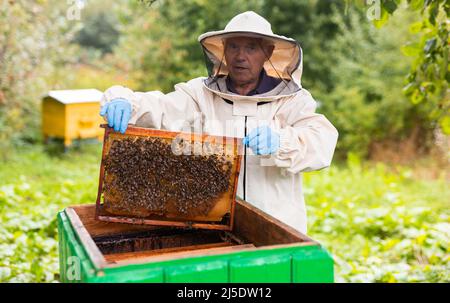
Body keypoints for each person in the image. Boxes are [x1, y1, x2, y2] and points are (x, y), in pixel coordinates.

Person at [100, 11, 338, 234]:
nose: (240, 56)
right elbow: (162, 109)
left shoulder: (292, 100)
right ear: (223, 50)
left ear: (268, 51)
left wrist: (282, 141)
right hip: (212, 224)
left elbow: (321, 140)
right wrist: (126, 101)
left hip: (276, 226)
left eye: (251, 48)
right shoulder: (200, 94)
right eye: (233, 46)